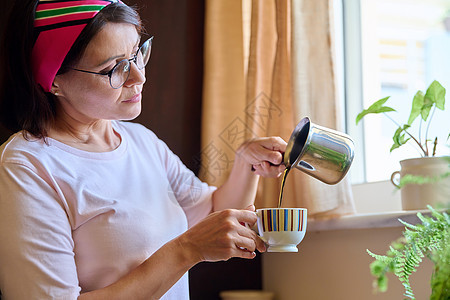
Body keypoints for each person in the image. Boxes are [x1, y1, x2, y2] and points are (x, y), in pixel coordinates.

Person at [0, 0, 287, 299]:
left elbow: (213, 215)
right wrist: (187, 249)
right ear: (54, 80)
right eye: (114, 68)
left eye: (138, 53)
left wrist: (247, 163)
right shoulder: (28, 166)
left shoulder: (140, 141)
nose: (139, 77)